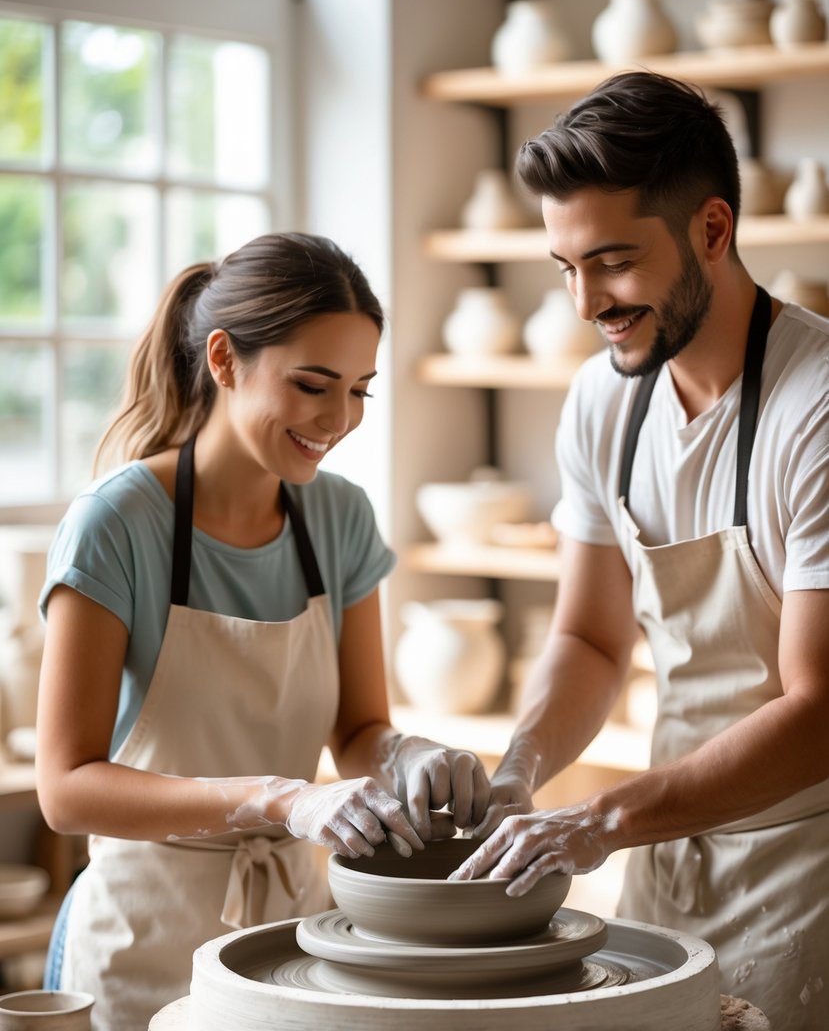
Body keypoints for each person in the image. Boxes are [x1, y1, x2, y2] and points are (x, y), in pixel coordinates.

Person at [450, 71, 829, 1029]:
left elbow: (819, 706)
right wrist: (519, 773)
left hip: (808, 867)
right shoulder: (602, 401)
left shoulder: (812, 406)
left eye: (612, 262)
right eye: (564, 266)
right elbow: (588, 640)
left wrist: (601, 821)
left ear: (712, 229)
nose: (586, 301)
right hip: (666, 854)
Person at [36, 232, 490, 1031]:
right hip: (142, 937)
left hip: (293, 934)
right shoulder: (116, 525)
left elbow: (357, 728)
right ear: (222, 359)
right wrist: (277, 798)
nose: (339, 418)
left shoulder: (339, 516)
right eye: (313, 384)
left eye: (359, 390)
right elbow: (66, 790)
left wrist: (405, 754)